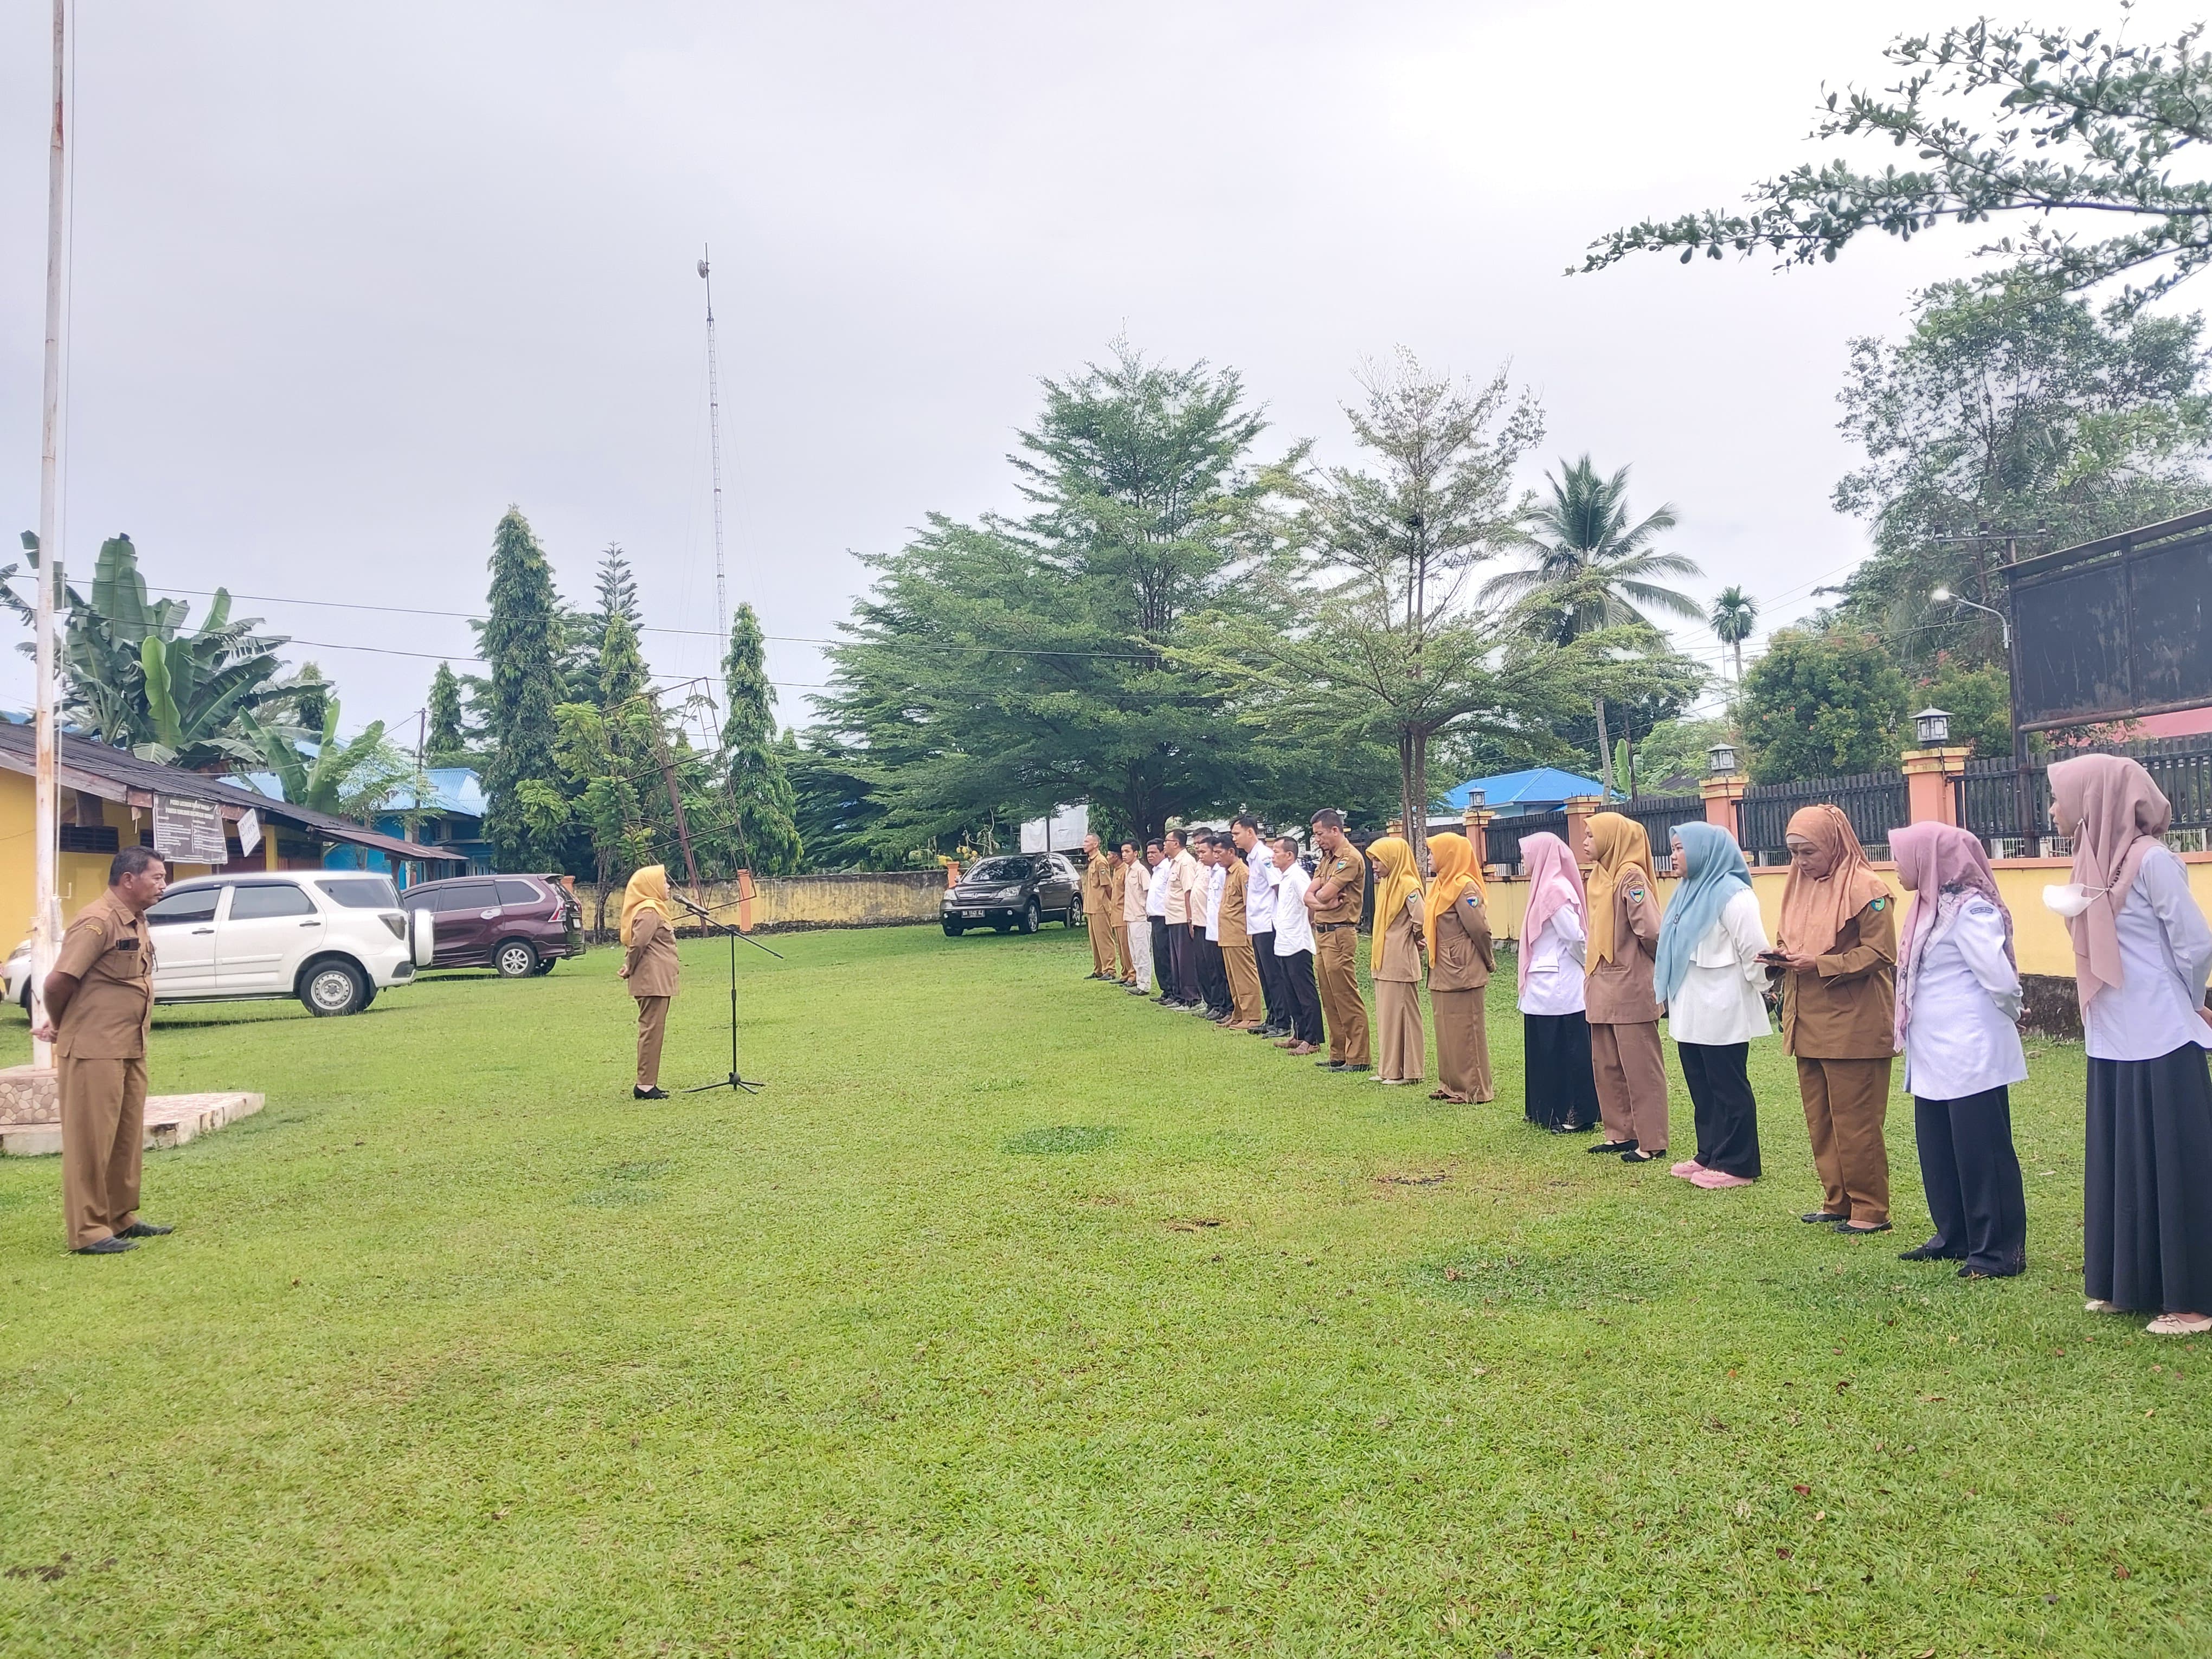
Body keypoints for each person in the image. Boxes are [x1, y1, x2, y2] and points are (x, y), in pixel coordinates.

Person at [2051, 754, 2212, 1335]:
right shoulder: (2092, 862)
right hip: (2112, 1033)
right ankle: (2129, 1285)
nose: (2053, 808)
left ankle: (2191, 1301)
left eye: (2061, 796)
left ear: (2095, 798)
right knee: (2125, 1161)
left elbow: (2194, 945)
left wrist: (2189, 1002)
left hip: (2163, 1033)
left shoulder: (2152, 862)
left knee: (2174, 1166)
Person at [1889, 820, 2029, 1278]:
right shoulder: (1928, 908)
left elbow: (2001, 979)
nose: (1896, 865)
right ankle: (1955, 1235)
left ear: (1930, 858)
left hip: (1970, 1049)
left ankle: (1997, 1252)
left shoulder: (1971, 911)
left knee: (1981, 1152)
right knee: (1940, 1149)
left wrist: (2012, 1014)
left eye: (1903, 856)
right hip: (1935, 1051)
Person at [36, 847, 170, 1255]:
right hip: (94, 1048)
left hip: (129, 1044)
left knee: (125, 1135)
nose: (163, 885)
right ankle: (89, 1231)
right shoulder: (98, 922)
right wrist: (62, 1025)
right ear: (128, 879)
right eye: (157, 878)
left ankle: (119, 1215)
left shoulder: (137, 920)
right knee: (91, 1140)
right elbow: (58, 983)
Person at [1774, 804, 1898, 1236]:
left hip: (1853, 1022)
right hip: (1807, 1017)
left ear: (1833, 843)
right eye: (1793, 853)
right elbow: (1792, 938)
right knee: (1821, 1118)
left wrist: (1823, 964)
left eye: (1808, 852)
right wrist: (1782, 959)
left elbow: (1882, 953)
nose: (1800, 863)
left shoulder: (1868, 888)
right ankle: (1837, 1199)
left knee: (1856, 1120)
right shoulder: (1799, 886)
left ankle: (1870, 1208)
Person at [1655, 822, 1771, 1189]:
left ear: (1705, 850)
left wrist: (1766, 989)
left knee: (1728, 1085)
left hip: (1723, 1006)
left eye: (1680, 849)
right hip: (1691, 1006)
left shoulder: (1734, 895)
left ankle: (1739, 1164)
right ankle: (1710, 1153)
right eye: (1672, 849)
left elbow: (1755, 951)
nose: (1674, 856)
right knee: (1700, 1083)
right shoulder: (1687, 892)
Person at [1583, 812, 1668, 1162]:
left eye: (1591, 836)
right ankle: (1619, 1133)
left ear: (1611, 839)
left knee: (1640, 1066)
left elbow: (1651, 932)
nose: (1585, 843)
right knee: (1607, 1064)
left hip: (1629, 984)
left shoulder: (1630, 876)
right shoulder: (1601, 876)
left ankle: (1651, 1140)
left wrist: (1646, 966)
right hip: (1603, 984)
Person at [1517, 831, 1600, 1134]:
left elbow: (1575, 937)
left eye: (1527, 853)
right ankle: (1542, 1109)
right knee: (1544, 1046)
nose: (1523, 859)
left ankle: (1575, 1112)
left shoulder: (1554, 890)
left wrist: (1584, 964)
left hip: (1560, 982)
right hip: (1546, 984)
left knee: (1567, 1049)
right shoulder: (1543, 887)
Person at [1423, 831, 1494, 1104]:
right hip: (1441, 967)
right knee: (1445, 1027)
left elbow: (1480, 929)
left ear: (1449, 855)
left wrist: (1488, 960)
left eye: (1433, 852)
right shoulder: (1441, 885)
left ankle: (1474, 1089)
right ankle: (1451, 1084)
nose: (1430, 857)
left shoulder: (1465, 887)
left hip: (1462, 968)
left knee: (1467, 1029)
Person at [1307, 809, 1372, 1072]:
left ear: (1336, 830)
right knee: (1329, 996)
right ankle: (1339, 1053)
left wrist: (1320, 900)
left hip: (1340, 933)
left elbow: (1324, 895)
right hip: (1322, 932)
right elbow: (1310, 896)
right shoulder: (1327, 859)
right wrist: (1320, 901)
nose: (1317, 840)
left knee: (1345, 995)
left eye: (1320, 834)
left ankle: (1358, 1057)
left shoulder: (1349, 858)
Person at [1367, 834, 1426, 1086]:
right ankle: (1389, 1068)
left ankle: (1409, 1071)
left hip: (1400, 959)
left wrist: (1415, 938)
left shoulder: (1408, 885)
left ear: (1392, 858)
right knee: (1387, 1015)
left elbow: (1421, 919)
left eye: (1378, 860)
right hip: (1384, 959)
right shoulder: (1389, 884)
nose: (1374, 866)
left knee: (1403, 1013)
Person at [618, 864, 681, 1099]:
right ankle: (645, 1085)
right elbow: (638, 945)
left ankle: (648, 1082)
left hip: (657, 980)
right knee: (651, 1030)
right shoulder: (649, 912)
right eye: (663, 882)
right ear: (651, 886)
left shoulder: (655, 910)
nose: (667, 886)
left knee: (655, 1030)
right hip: (651, 981)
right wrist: (629, 967)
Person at [1269, 835, 1325, 1053]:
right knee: (1290, 992)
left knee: (1305, 992)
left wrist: (1311, 919)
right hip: (1284, 941)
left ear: (1289, 855)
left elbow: (1309, 899)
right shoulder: (1284, 877)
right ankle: (1300, 1033)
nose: (1273, 856)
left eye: (1276, 852)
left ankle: (1312, 1039)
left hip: (1297, 943)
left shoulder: (1298, 876)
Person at [1233, 815, 1288, 1037]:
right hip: (1257, 924)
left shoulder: (1265, 856)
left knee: (1274, 975)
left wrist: (1281, 917)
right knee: (1265, 975)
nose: (1234, 839)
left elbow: (1277, 886)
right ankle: (1273, 1017)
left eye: (1237, 834)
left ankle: (1283, 1022)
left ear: (1250, 832)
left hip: (1268, 923)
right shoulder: (1252, 858)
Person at [1217, 834, 1264, 1030]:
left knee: (1245, 976)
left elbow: (1249, 904)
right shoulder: (1229, 873)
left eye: (1219, 853)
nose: (1216, 857)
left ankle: (1252, 1016)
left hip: (1239, 933)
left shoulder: (1243, 873)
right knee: (1233, 977)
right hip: (1227, 934)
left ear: (1231, 852)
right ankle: (1239, 1013)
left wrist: (1248, 933)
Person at [1158, 829, 1201, 1009]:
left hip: (1183, 918)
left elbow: (1188, 891)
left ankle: (1192, 998)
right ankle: (1180, 995)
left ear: (1176, 843)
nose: (1164, 845)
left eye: (1167, 841)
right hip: (1173, 917)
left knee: (1185, 961)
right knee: (1176, 961)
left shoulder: (1186, 863)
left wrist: (1190, 919)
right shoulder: (1174, 863)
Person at [1197, 835, 1232, 1019]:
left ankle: (1227, 1007)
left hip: (1223, 929)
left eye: (1204, 852)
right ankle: (1218, 1004)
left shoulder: (1222, 872)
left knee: (1224, 971)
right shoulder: (1210, 871)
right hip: (1211, 928)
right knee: (1214, 970)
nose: (1200, 856)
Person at [1080, 833, 1117, 980]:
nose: (1084, 844)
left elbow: (1108, 885)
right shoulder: (1092, 862)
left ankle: (1110, 970)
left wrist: (1111, 904)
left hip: (1101, 907)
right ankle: (1099, 969)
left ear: (1095, 844)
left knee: (1104, 939)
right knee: (1095, 940)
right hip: (1091, 906)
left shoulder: (1101, 861)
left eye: (1087, 841)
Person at [1119, 841, 1152, 993]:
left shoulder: (1141, 871)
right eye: (1123, 852)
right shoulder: (1128, 870)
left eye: (1127, 851)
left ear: (1136, 853)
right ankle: (1139, 982)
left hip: (1140, 917)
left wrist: (1146, 912)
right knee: (1134, 952)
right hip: (1130, 917)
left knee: (1142, 951)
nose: (1124, 855)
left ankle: (1145, 984)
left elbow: (1148, 893)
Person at [1143, 838, 1171, 1000]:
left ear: (1163, 852)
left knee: (1165, 956)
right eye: (1148, 853)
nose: (1150, 856)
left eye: (1154, 852)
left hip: (1164, 918)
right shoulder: (1156, 870)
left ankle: (1171, 990)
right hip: (1154, 918)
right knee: (1159, 957)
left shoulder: (1167, 869)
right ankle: (1165, 990)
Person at [1107, 840, 1133, 986]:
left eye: (1110, 855)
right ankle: (1125, 973)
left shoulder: (1125, 870)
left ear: (1116, 857)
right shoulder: (1117, 870)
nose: (1107, 857)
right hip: (1116, 913)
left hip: (1124, 914)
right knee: (1121, 947)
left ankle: (1131, 974)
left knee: (1126, 946)